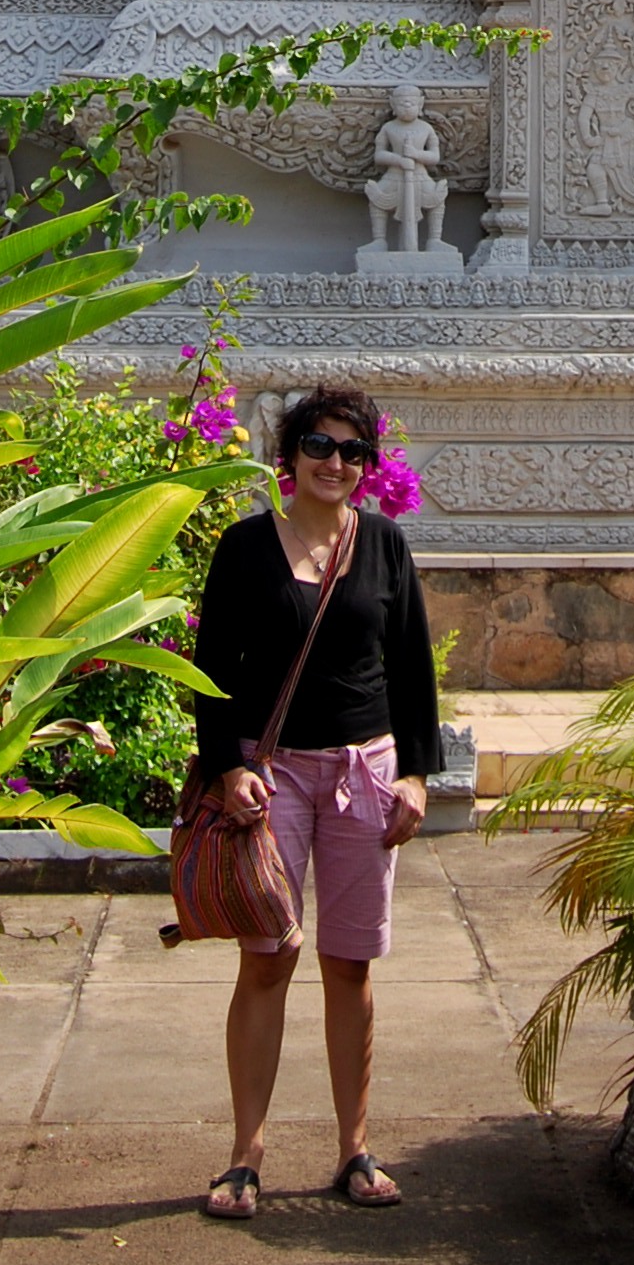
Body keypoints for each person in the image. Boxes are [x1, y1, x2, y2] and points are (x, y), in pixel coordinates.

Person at [188, 385, 441, 1219]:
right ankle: (244, 1154)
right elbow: (213, 668)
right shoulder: (247, 547)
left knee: (350, 963)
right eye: (321, 447)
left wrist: (414, 774)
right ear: (289, 455)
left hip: (363, 769)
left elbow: (411, 670)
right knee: (268, 956)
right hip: (276, 774)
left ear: (369, 467)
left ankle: (355, 1148)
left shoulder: (386, 548)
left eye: (353, 452)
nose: (336, 464)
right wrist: (227, 769)